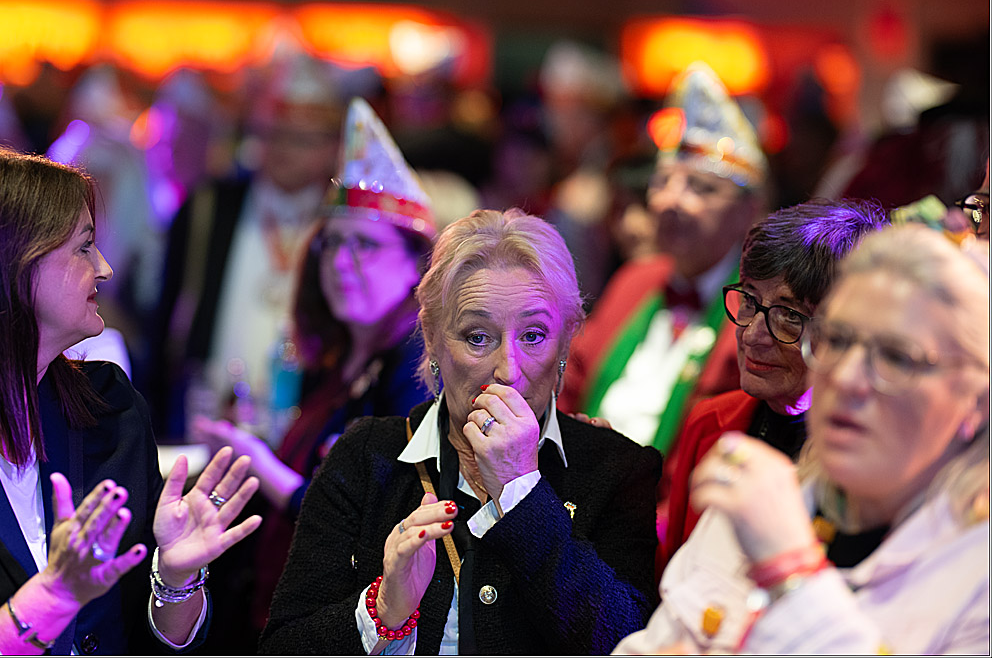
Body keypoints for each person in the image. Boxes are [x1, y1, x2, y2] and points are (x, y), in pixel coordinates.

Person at [259, 208, 662, 655]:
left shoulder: (617, 468)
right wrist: (382, 610)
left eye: (534, 335)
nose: (508, 370)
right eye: (477, 337)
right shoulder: (365, 455)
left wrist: (520, 490)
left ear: (567, 340)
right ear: (432, 338)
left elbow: (627, 643)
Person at [614, 223, 990, 654]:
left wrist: (791, 570)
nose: (846, 378)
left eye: (895, 356)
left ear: (976, 402)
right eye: (838, 340)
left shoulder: (978, 575)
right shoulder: (766, 502)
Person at [0, 148, 263, 654]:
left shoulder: (109, 407)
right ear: (11, 264)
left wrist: (175, 578)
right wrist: (53, 597)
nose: (104, 268)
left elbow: (150, 643)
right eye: (84, 248)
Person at [190, 97, 436, 643]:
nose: (341, 264)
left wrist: (264, 469)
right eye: (332, 245)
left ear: (416, 263)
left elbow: (381, 523)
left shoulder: (420, 371)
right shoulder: (333, 357)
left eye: (366, 246)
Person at [558, 62, 769, 509]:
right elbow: (569, 381)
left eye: (701, 189)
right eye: (664, 182)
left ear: (748, 211)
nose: (672, 200)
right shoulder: (637, 278)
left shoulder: (758, 312)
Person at [660, 199, 887, 574]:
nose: (752, 335)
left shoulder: (865, 465)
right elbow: (671, 577)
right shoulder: (710, 421)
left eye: (789, 316)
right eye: (749, 300)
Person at [148, 51, 343, 441]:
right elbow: (166, 316)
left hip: (307, 430)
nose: (283, 149)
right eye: (272, 133)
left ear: (333, 147)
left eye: (301, 139)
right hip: (207, 420)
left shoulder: (344, 222)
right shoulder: (208, 207)